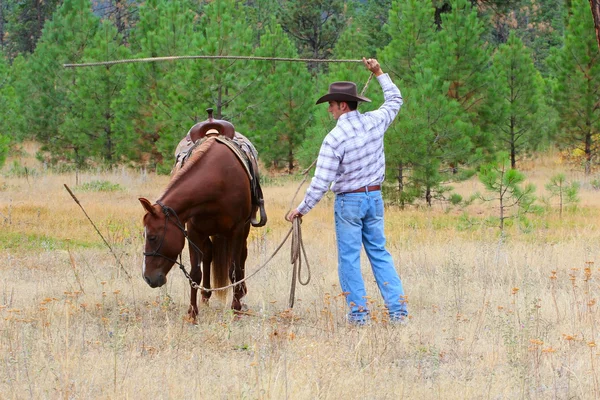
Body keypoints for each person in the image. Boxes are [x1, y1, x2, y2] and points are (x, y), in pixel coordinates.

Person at [286, 57, 408, 325]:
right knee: (379, 253)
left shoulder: (334, 139)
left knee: (350, 259)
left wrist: (300, 210)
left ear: (342, 105)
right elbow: (395, 100)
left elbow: (321, 182)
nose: (329, 110)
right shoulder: (375, 121)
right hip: (374, 198)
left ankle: (358, 316)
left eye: (331, 105)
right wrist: (378, 72)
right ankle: (398, 312)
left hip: (349, 203)